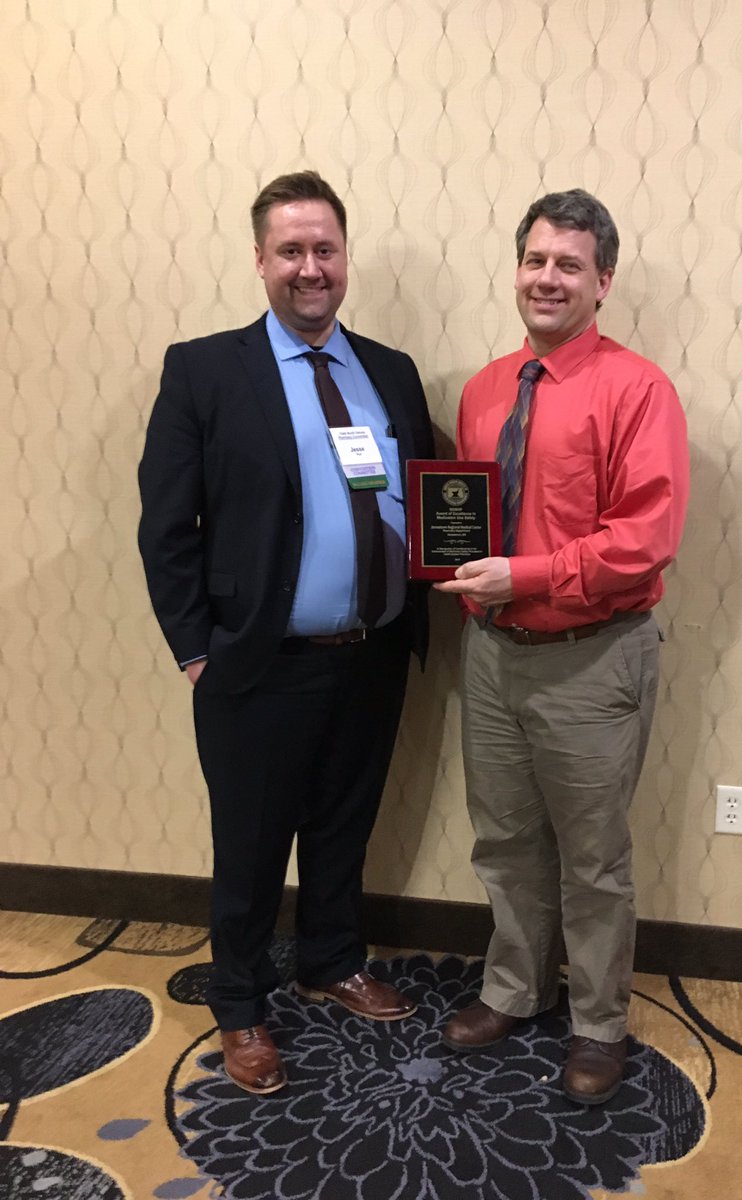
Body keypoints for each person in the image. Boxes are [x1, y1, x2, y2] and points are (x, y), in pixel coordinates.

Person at [138, 171, 434, 1094]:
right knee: (253, 843)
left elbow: (422, 502)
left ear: (346, 259)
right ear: (261, 259)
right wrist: (197, 647)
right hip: (257, 662)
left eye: (326, 249)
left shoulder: (389, 371)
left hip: (373, 653)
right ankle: (240, 1003)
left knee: (345, 823)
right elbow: (164, 526)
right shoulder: (205, 368)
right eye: (291, 250)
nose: (312, 268)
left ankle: (330, 960)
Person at [436, 188, 689, 1105]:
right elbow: (467, 524)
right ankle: (512, 989)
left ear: (602, 281)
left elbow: (645, 540)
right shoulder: (483, 390)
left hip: (593, 658)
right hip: (494, 654)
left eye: (569, 265)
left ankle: (598, 1022)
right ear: (518, 271)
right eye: (536, 260)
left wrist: (528, 577)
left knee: (592, 857)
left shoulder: (638, 389)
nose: (549, 278)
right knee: (503, 840)